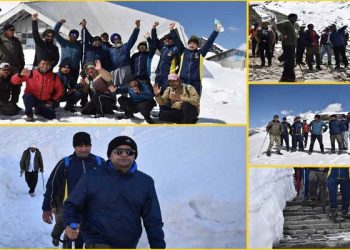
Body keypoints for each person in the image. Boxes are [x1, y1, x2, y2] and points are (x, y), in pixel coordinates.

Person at [63, 136, 166, 248]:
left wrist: (158, 245)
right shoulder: (91, 178)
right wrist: (70, 223)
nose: (124, 155)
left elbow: (153, 220)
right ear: (110, 155)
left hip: (128, 244)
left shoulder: (145, 182)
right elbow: (71, 205)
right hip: (97, 242)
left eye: (130, 152)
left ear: (135, 156)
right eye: (119, 151)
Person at [42, 132, 104, 248]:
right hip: (71, 210)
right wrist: (46, 208)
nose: (84, 149)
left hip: (93, 211)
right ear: (74, 147)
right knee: (73, 240)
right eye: (80, 146)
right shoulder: (65, 163)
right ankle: (58, 237)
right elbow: (52, 186)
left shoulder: (99, 162)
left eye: (87, 146)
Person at [178, 23, 220, 96]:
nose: (192, 45)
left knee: (194, 102)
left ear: (197, 45)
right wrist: (172, 30)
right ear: (188, 44)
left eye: (194, 43)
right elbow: (177, 42)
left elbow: (209, 43)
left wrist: (215, 31)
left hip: (195, 82)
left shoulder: (200, 53)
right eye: (190, 43)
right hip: (182, 80)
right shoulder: (184, 52)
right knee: (181, 100)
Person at [152, 22, 185, 93]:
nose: (167, 40)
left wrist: (172, 30)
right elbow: (155, 41)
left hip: (168, 77)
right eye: (165, 38)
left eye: (169, 38)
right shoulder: (163, 48)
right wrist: (154, 29)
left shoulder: (176, 49)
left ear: (173, 40)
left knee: (167, 95)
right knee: (158, 94)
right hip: (158, 75)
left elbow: (179, 44)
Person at [107, 20, 140, 90]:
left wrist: (137, 28)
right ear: (113, 41)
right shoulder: (110, 50)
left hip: (126, 69)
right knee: (114, 89)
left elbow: (132, 39)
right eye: (115, 39)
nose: (118, 40)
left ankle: (127, 100)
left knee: (127, 88)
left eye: (119, 38)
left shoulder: (125, 46)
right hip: (115, 71)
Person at [0, 23, 25, 109]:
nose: (13, 31)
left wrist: (22, 64)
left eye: (14, 29)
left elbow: (21, 54)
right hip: (4, 68)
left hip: (16, 68)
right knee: (4, 86)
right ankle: (3, 103)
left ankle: (14, 103)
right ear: (5, 31)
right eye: (11, 30)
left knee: (16, 87)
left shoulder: (16, 41)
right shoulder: (1, 39)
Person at [276, 13, 298, 82]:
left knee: (289, 61)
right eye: (295, 18)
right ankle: (290, 77)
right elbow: (278, 24)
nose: (296, 19)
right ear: (290, 18)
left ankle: (286, 76)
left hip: (291, 44)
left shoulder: (291, 24)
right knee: (290, 61)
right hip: (288, 44)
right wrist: (284, 33)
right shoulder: (287, 22)